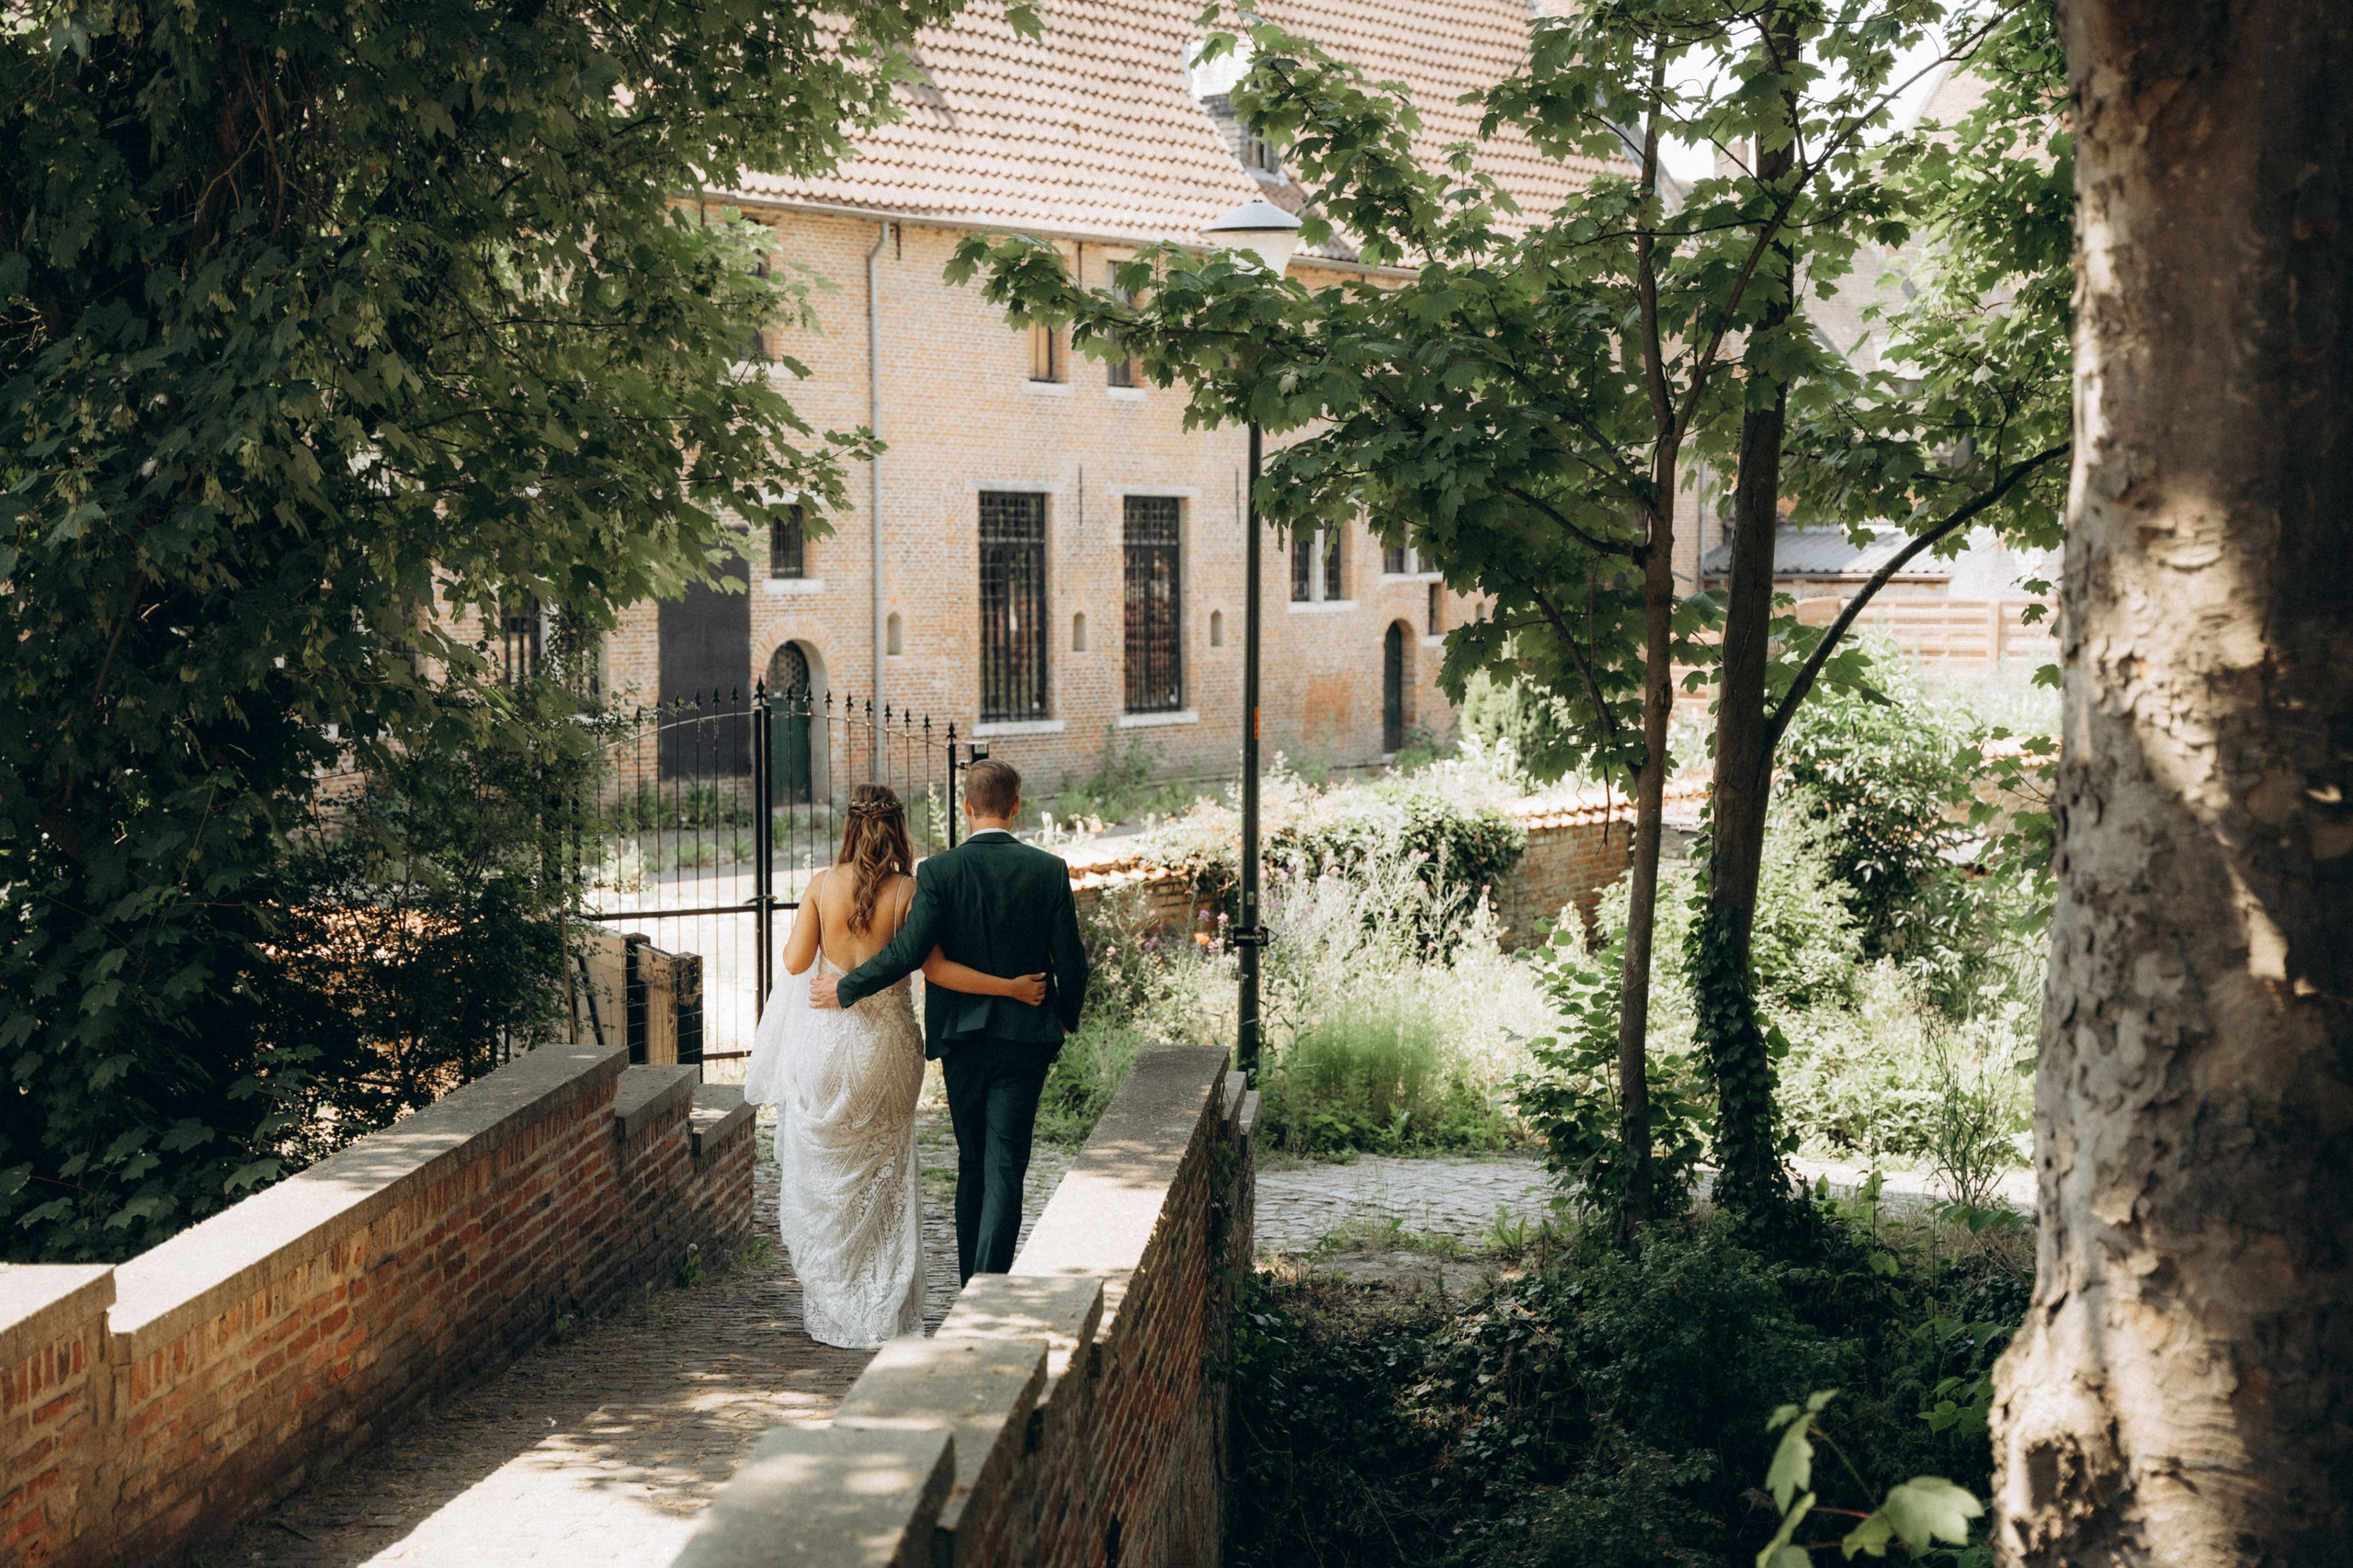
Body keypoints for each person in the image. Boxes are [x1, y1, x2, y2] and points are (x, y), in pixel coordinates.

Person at [742, 783, 1045, 1348]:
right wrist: (1009, 987)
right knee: (884, 1175)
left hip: (827, 1048)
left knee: (829, 1179)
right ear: (899, 830)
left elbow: (795, 962)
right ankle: (882, 1307)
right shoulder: (909, 890)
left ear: (850, 829)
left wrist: (821, 927)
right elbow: (939, 971)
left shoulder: (821, 886)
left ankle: (835, 1305)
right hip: (887, 1050)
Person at [813, 758, 1087, 1283]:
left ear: (966, 807)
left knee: (971, 1163)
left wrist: (846, 988)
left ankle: (969, 1289)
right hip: (1026, 1038)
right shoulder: (1048, 869)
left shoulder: (938, 872)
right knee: (1006, 1166)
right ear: (1015, 807)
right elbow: (1071, 962)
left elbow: (909, 953)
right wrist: (1063, 1021)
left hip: (961, 1039)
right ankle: (990, 1288)